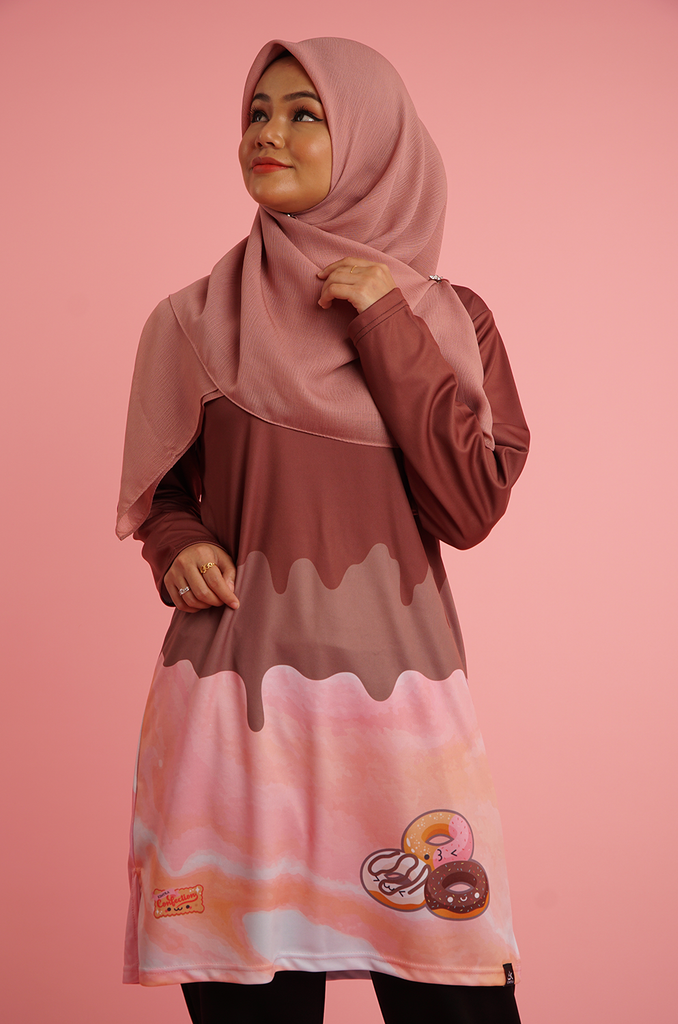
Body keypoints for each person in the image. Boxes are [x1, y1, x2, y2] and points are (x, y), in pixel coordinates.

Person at [116, 36, 530, 1024]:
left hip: (398, 720)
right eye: (257, 113)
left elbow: (469, 506)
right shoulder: (191, 321)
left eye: (305, 114)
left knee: (455, 989)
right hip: (233, 713)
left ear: (374, 140)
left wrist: (386, 326)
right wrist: (178, 547)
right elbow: (162, 499)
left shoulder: (453, 323)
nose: (268, 133)